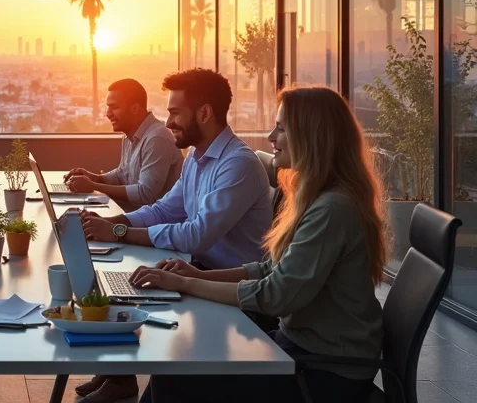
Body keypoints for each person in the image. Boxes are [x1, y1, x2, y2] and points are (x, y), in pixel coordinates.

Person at [127, 85, 388, 403]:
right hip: (301, 347)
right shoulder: (317, 197)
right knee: (173, 367)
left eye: (281, 128)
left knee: (177, 377)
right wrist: (194, 277)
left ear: (312, 137)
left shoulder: (333, 207)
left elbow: (276, 295)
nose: (270, 137)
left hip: (326, 371)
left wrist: (184, 282)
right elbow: (269, 269)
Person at [75, 69, 273, 403]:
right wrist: (117, 221)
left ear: (205, 113)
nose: (168, 122)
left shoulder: (237, 164)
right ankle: (120, 378)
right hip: (195, 272)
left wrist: (121, 232)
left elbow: (196, 235)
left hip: (232, 294)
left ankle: (129, 382)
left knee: (166, 370)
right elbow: (165, 210)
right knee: (122, 283)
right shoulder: (197, 157)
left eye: (175, 112)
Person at [63, 78, 182, 211]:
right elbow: (122, 174)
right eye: (108, 107)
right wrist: (96, 178)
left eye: (114, 107)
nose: (108, 114)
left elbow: (145, 194)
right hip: (135, 215)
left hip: (153, 225)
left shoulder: (157, 138)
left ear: (135, 109)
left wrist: (93, 186)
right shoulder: (129, 135)